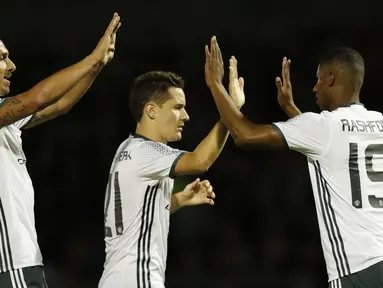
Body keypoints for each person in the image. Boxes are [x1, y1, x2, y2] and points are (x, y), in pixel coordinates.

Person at [205, 36, 383, 288]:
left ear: (331, 79)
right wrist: (291, 109)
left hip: (357, 267)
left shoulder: (323, 126)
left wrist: (215, 85)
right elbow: (329, 149)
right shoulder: (378, 122)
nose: (314, 87)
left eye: (319, 79)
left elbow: (243, 134)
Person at [0, 13, 121, 288]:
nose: (11, 65)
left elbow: (60, 103)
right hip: (9, 266)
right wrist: (91, 58)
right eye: (2, 57)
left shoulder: (5, 119)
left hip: (23, 263)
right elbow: (36, 99)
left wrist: (97, 66)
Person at [98, 68, 245, 288]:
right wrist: (230, 109)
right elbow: (200, 161)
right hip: (139, 279)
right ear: (151, 110)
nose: (186, 116)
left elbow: (134, 216)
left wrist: (179, 200)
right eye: (177, 108)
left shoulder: (126, 149)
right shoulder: (147, 152)